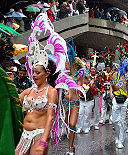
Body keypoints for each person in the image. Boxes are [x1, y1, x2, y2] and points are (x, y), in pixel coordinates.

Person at [15, 13, 69, 155]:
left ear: (47, 74)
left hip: (40, 136)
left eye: (38, 73)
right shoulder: (29, 90)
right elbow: (13, 100)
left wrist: (44, 141)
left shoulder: (51, 91)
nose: (34, 75)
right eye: (33, 72)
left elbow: (50, 118)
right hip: (24, 135)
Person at [110, 71, 128, 149]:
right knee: (114, 120)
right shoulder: (116, 75)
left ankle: (120, 140)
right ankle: (118, 135)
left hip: (126, 100)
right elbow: (115, 87)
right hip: (116, 99)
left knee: (122, 121)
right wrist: (111, 92)